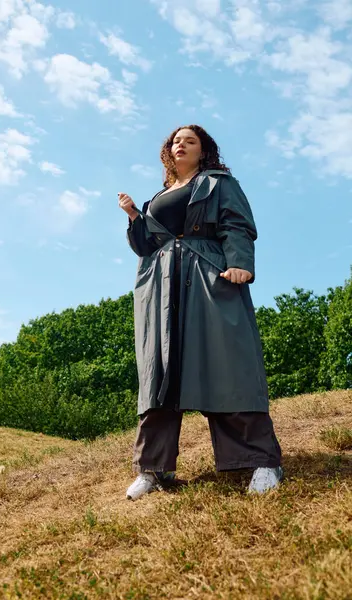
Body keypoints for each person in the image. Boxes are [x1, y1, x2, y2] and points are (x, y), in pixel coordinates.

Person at [118, 124, 283, 500]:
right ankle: (153, 469)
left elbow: (237, 225)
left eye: (189, 141)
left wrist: (240, 263)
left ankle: (262, 461)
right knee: (159, 375)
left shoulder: (218, 182)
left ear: (203, 150)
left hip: (209, 276)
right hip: (160, 286)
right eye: (176, 141)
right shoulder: (160, 194)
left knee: (226, 366)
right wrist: (133, 217)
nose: (181, 145)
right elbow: (147, 246)